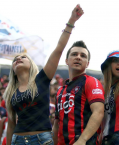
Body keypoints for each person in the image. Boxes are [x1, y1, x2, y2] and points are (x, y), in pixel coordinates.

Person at [3, 4, 84, 145]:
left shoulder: (41, 79)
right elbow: (10, 124)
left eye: (23, 57)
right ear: (13, 70)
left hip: (42, 140)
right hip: (17, 140)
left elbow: (59, 49)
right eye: (15, 59)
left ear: (31, 65)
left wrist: (71, 22)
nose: (18, 59)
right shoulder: (10, 91)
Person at [52, 7, 105, 145]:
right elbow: (57, 124)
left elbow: (98, 112)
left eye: (83, 56)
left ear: (87, 63)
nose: (78, 57)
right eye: (74, 54)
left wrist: (82, 140)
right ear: (66, 61)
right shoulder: (60, 91)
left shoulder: (91, 82)